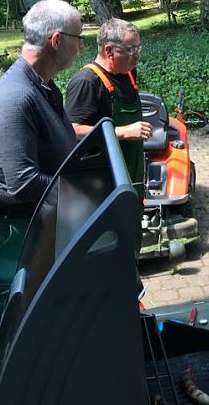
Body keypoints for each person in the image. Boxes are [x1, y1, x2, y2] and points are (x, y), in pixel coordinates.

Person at [0, 0, 83, 405]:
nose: (82, 47)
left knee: (28, 331)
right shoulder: (16, 96)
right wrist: (84, 199)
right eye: (79, 39)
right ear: (56, 40)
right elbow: (22, 184)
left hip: (27, 228)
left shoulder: (46, 87)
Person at [64, 18, 151, 253]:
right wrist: (121, 132)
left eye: (138, 48)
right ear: (109, 50)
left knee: (131, 245)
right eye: (131, 49)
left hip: (130, 179)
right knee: (109, 250)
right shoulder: (87, 82)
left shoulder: (127, 75)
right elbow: (70, 131)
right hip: (102, 187)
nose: (137, 55)